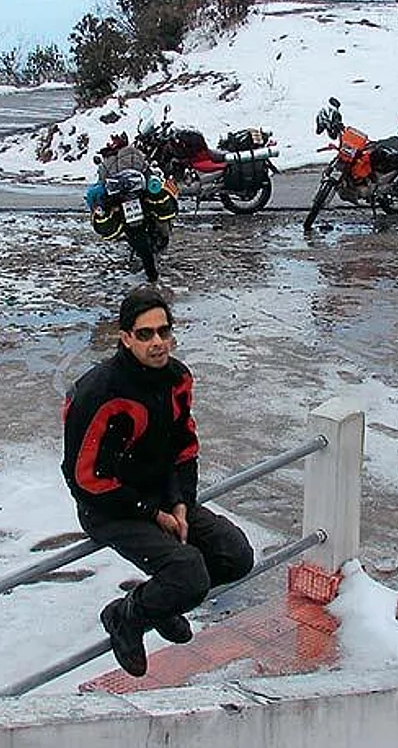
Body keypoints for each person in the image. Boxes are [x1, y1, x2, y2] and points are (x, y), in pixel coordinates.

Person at [61, 286, 254, 676]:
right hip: (109, 506)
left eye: (164, 331)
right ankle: (125, 617)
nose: (157, 342)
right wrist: (151, 513)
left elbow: (184, 446)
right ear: (126, 338)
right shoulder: (101, 393)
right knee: (188, 573)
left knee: (234, 555)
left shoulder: (176, 378)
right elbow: (85, 479)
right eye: (145, 334)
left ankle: (162, 604)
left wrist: (181, 501)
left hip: (162, 494)